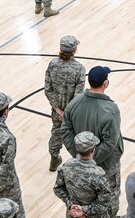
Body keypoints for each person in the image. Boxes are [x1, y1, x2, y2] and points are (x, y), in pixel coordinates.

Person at [61, 66, 124, 218]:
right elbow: (111, 142)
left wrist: (80, 153)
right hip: (106, 166)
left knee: (81, 197)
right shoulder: (111, 110)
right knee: (108, 201)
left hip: (81, 161)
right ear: (106, 83)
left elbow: (65, 130)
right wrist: (92, 161)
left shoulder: (74, 103)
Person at [45, 36, 86, 171]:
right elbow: (78, 95)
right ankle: (78, 164)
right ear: (74, 50)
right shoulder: (79, 68)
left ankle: (54, 159)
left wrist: (58, 110)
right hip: (72, 112)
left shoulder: (52, 64)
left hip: (57, 111)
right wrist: (67, 113)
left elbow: (48, 89)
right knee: (76, 136)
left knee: (56, 134)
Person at [53, 131, 113, 218]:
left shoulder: (66, 166)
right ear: (93, 150)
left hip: (73, 214)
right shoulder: (98, 174)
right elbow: (105, 202)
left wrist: (70, 204)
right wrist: (84, 210)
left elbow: (58, 189)